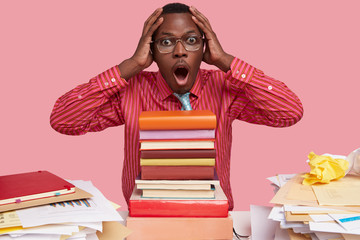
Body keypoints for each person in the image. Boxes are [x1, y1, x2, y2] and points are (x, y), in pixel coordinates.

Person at [50, 3, 303, 210]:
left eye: (191, 40)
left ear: (204, 48)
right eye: (167, 42)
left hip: (213, 219)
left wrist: (225, 60)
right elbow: (63, 119)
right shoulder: (131, 91)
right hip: (145, 219)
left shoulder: (225, 88)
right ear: (152, 51)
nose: (180, 51)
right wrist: (130, 65)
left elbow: (289, 111)